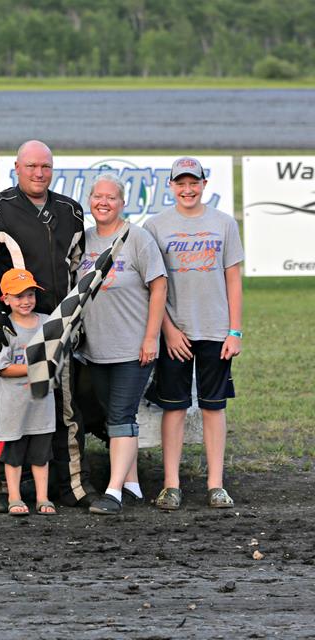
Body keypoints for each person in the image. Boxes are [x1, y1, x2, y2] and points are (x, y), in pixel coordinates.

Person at [0, 139, 96, 512]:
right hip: (10, 328)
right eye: (31, 166)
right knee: (3, 409)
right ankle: (1, 490)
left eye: (46, 167)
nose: (39, 173)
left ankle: (68, 487)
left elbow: (76, 268)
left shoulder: (72, 212)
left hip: (57, 329)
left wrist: (73, 317)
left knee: (64, 409)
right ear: (16, 169)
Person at [143, 157, 244, 510]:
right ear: (171, 186)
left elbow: (233, 278)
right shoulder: (155, 227)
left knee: (214, 406)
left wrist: (235, 331)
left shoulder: (224, 224)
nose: (188, 189)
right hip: (176, 332)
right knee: (175, 407)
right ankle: (171, 484)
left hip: (215, 329)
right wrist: (167, 330)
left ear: (204, 183)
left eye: (194, 182)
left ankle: (216, 484)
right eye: (180, 183)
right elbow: (153, 285)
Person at [76, 173, 168, 515]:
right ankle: (131, 484)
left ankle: (112, 493)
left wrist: (150, 337)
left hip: (132, 347)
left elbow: (159, 286)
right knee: (111, 415)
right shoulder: (83, 241)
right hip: (95, 349)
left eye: (111, 197)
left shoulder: (137, 239)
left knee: (121, 416)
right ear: (90, 201)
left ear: (122, 202)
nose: (104, 202)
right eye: (98, 196)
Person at [0, 269, 56, 516]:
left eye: (30, 294)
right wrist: (35, 368)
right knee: (14, 456)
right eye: (18, 296)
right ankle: (14, 497)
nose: (26, 300)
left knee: (41, 456)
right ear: (5, 298)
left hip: (42, 404)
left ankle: (43, 498)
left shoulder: (48, 322)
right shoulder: (4, 328)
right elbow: (4, 368)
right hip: (13, 407)